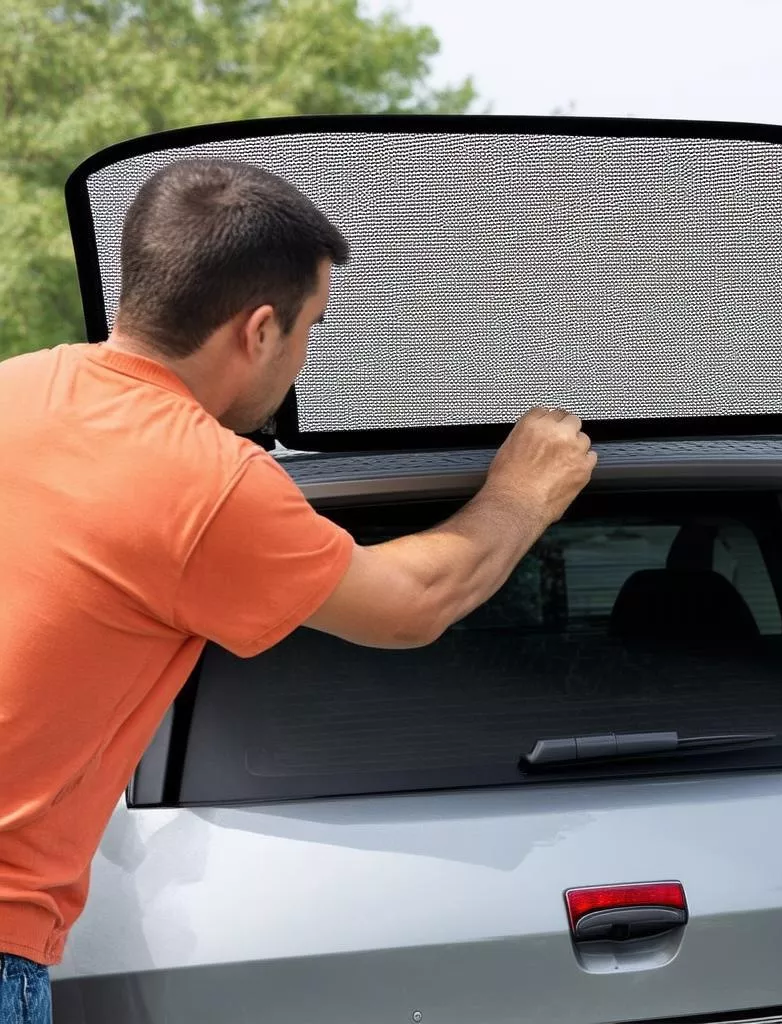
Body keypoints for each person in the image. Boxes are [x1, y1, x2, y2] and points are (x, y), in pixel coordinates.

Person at [0, 159, 596, 1023]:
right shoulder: (207, 481)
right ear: (258, 329)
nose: (305, 357)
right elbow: (412, 604)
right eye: (312, 326)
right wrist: (522, 493)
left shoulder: (17, 386)